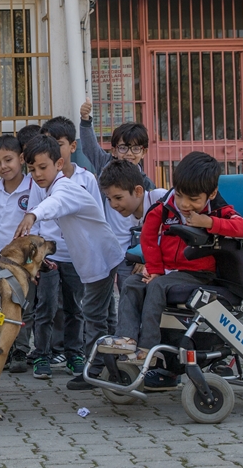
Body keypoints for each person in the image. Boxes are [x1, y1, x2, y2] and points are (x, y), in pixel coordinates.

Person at [97, 151, 243, 383]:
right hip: (167, 271)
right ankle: (126, 338)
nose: (185, 204)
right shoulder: (166, 207)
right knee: (131, 283)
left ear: (211, 194)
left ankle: (149, 346)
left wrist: (209, 223)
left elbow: (242, 228)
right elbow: (148, 235)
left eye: (194, 199)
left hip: (198, 274)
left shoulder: (217, 210)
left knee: (157, 287)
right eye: (180, 196)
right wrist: (155, 268)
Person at [14, 134, 126, 386]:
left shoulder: (66, 188)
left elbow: (54, 204)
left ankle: (97, 372)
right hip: (93, 262)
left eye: (43, 167)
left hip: (101, 260)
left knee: (94, 316)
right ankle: (107, 369)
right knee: (98, 316)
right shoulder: (49, 188)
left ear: (59, 163)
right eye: (32, 170)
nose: (37, 174)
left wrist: (32, 215)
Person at [66, 159, 168, 391]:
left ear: (138, 191)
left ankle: (149, 351)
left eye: (118, 198)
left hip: (169, 269)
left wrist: (151, 263)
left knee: (145, 291)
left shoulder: (162, 198)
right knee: (129, 288)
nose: (113, 205)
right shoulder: (127, 213)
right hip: (143, 265)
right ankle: (126, 344)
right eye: (109, 199)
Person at [27, 117, 106, 379]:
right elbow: (37, 219)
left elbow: (96, 218)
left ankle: (75, 354)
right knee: (46, 308)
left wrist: (92, 253)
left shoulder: (87, 179)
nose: (38, 172)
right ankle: (42, 355)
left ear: (70, 148)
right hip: (49, 257)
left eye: (58, 144)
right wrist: (37, 259)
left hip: (76, 257)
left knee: (76, 308)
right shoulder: (39, 182)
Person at [0, 134, 39, 374]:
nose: (3, 167)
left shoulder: (33, 188)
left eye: (8, 160)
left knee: (24, 305)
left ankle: (20, 350)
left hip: (24, 263)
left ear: (22, 159)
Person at [78, 101, 155, 189]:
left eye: (136, 148)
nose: (129, 153)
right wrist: (85, 120)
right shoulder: (105, 163)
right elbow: (90, 147)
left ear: (144, 152)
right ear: (114, 151)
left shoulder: (147, 184)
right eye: (123, 148)